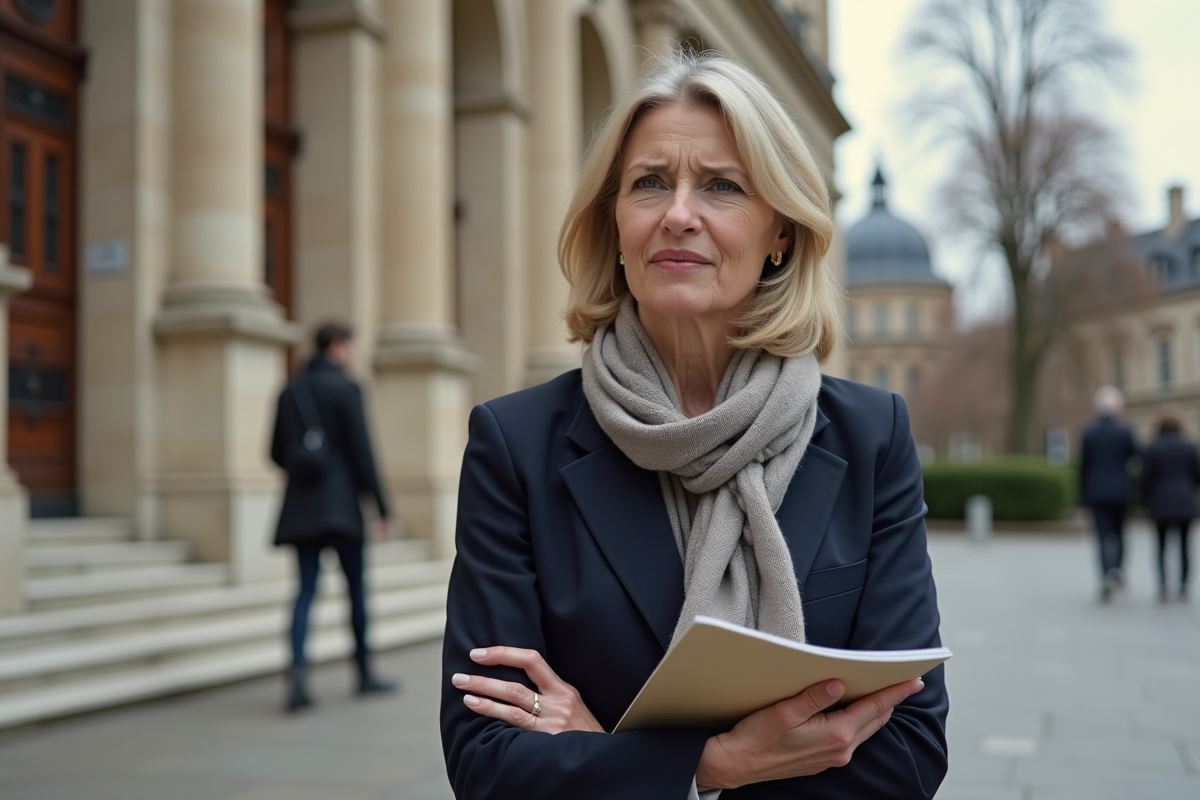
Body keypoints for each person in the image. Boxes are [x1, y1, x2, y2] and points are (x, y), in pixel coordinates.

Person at [440, 52, 948, 798]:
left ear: (780, 231)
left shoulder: (870, 435)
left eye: (721, 185)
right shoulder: (516, 444)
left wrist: (614, 756)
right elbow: (485, 758)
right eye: (649, 183)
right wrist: (711, 767)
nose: (679, 212)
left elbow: (908, 750)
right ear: (614, 225)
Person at [270, 322, 397, 712]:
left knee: (305, 592)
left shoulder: (291, 391)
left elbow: (274, 452)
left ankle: (297, 677)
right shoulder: (347, 387)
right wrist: (382, 505)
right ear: (339, 347)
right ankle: (363, 672)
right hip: (342, 507)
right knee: (355, 591)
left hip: (302, 507)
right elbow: (363, 450)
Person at [1079, 386, 1140, 603]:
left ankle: (1107, 574)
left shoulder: (1089, 432)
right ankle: (1118, 571)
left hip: (1097, 492)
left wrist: (1082, 496)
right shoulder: (1125, 431)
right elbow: (1137, 457)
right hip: (1121, 491)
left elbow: (1083, 467)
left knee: (1102, 536)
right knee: (1120, 534)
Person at [1140, 413, 1199, 603]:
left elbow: (1146, 478)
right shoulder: (1189, 446)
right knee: (1184, 547)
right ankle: (1183, 586)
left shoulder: (1153, 448)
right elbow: (1197, 475)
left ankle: (1164, 585)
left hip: (1161, 502)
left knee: (1161, 547)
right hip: (1185, 501)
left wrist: (1146, 498)